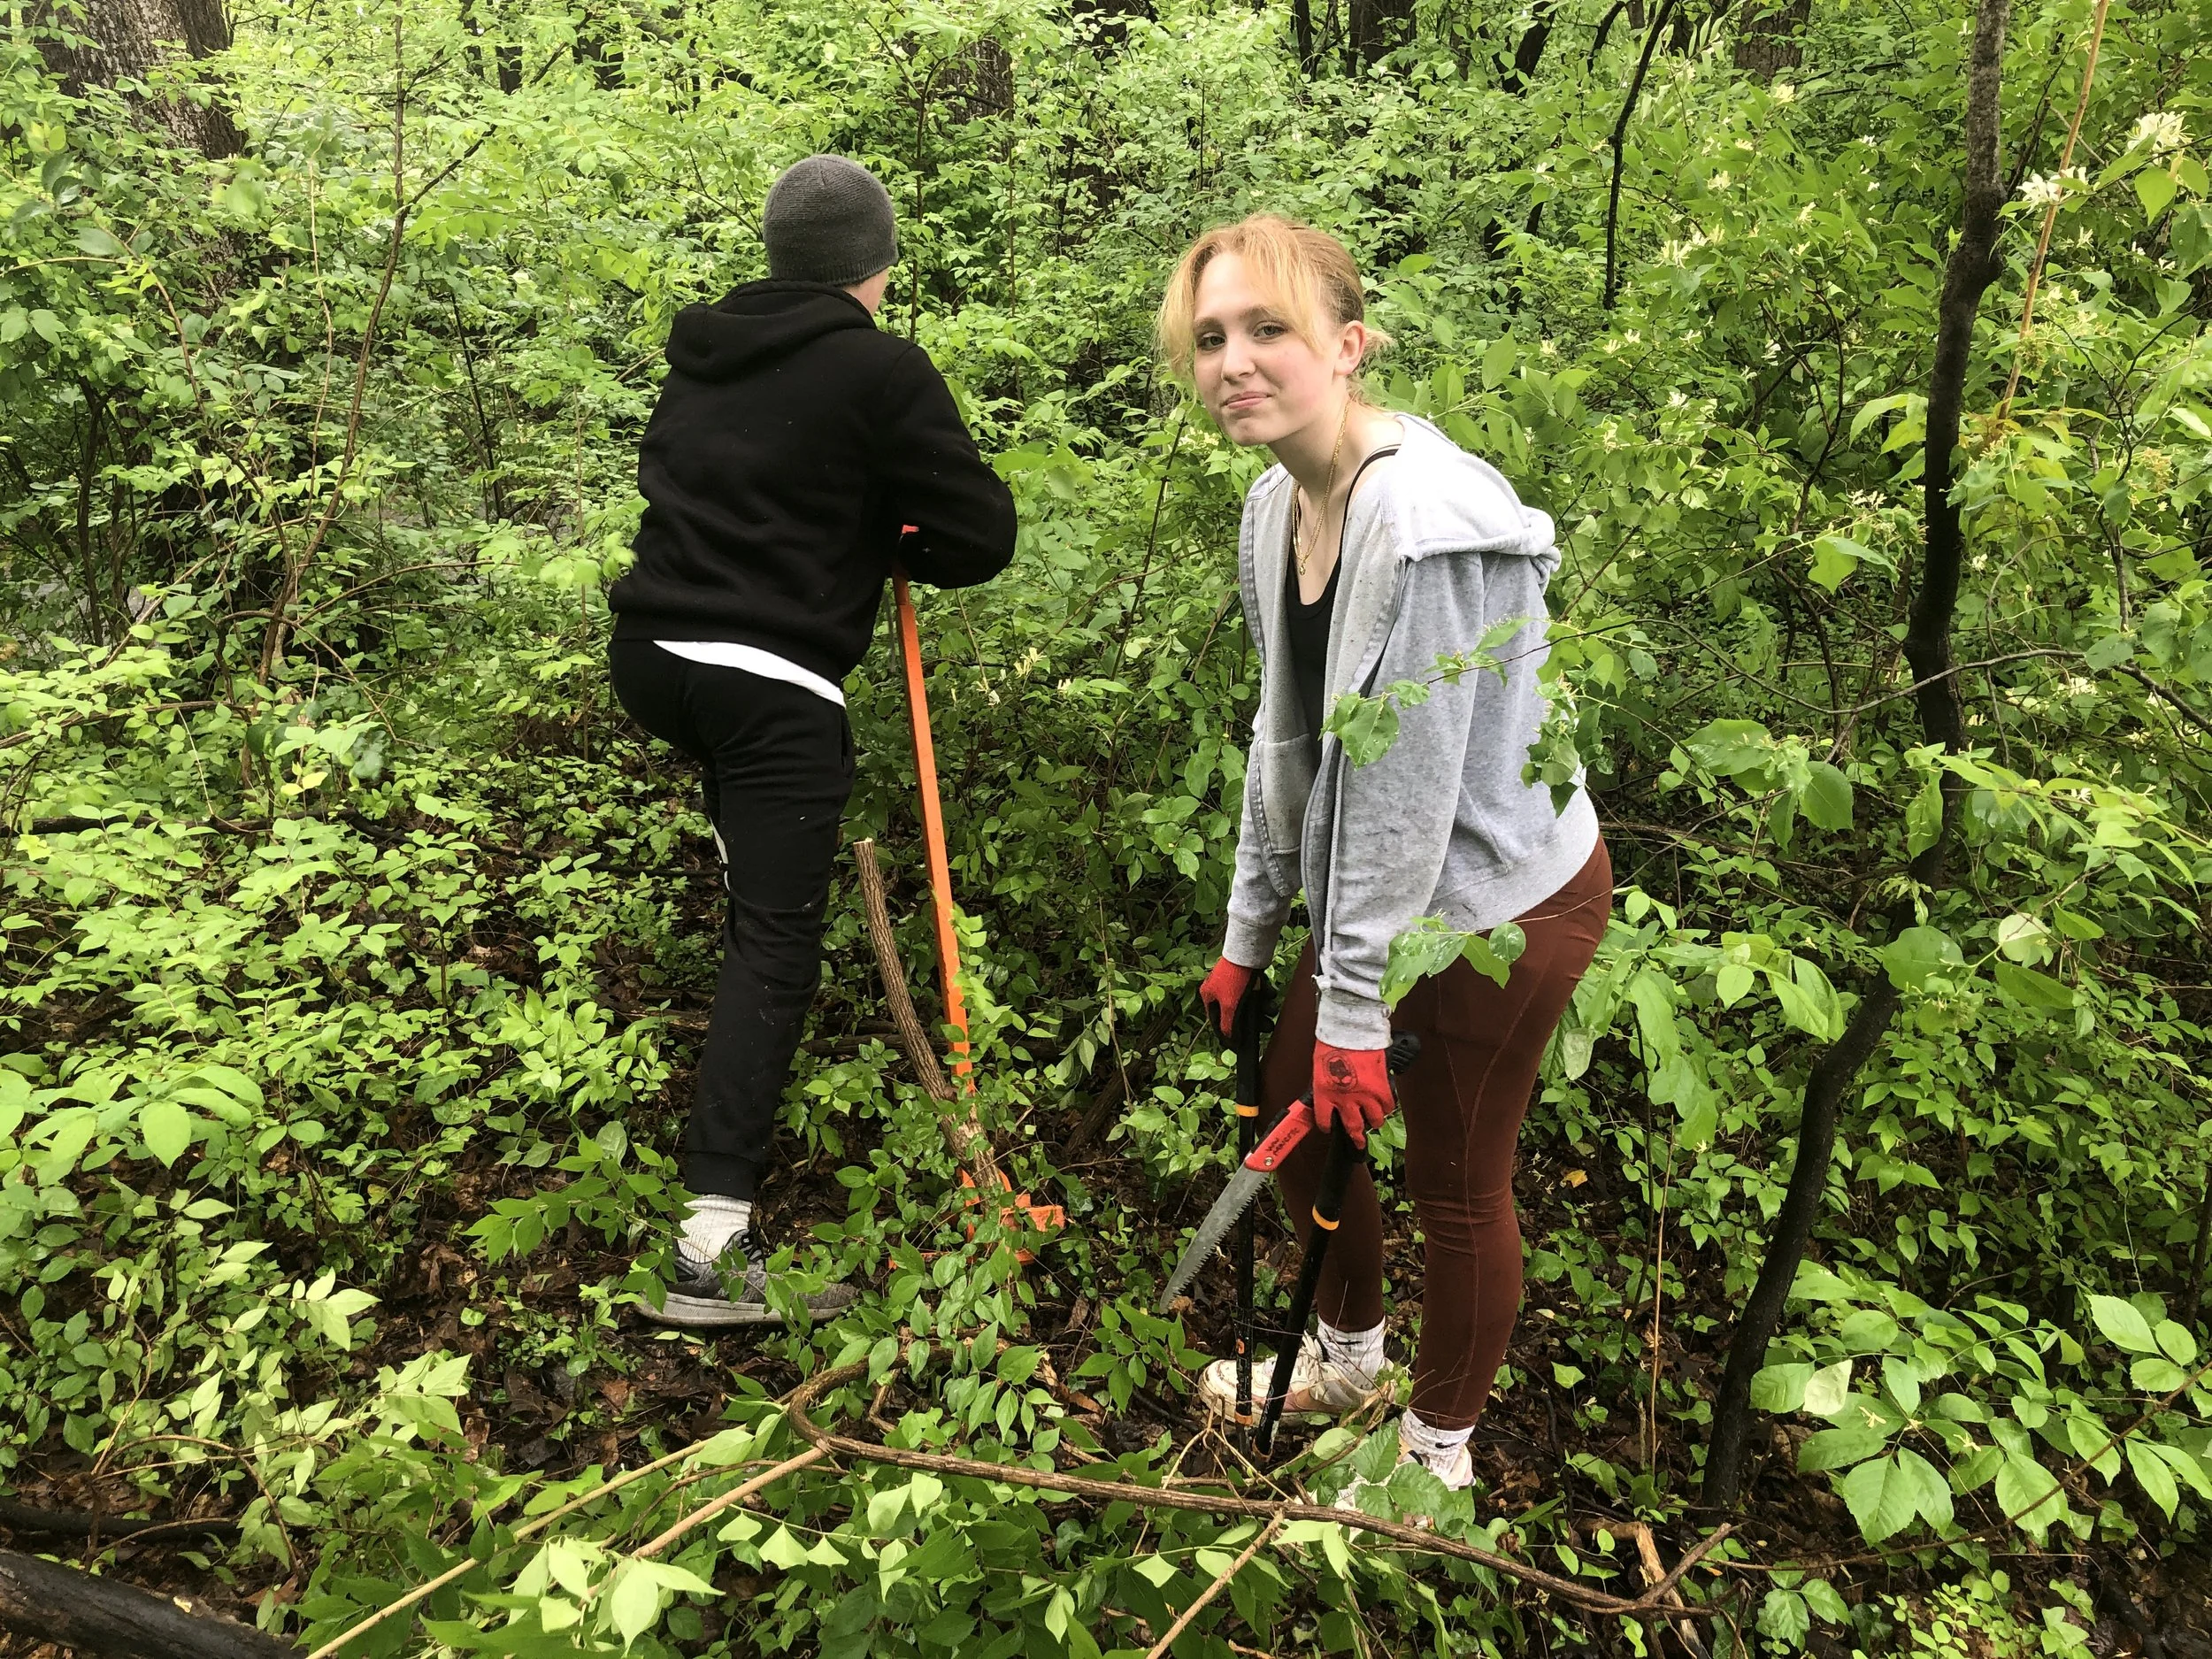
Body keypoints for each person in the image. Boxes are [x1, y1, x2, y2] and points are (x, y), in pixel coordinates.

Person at [1156, 215, 1610, 1500]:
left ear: (1348, 347)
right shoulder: (1277, 504)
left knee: (1457, 1180)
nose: (1232, 361)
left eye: (1268, 330)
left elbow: (1407, 800)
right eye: (1211, 338)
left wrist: (1357, 1001)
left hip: (1499, 899)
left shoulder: (1418, 529)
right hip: (1390, 884)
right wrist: (1251, 936)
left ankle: (1434, 1459)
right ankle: (1346, 1358)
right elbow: (1285, 735)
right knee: (1306, 1108)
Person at [608, 155, 1017, 1326]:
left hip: (655, 659)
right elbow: (981, 531)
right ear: (877, 269)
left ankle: (746, 865)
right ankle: (706, 1252)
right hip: (769, 682)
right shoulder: (881, 368)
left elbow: (734, 486)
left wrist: (863, 520)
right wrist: (901, 535)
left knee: (758, 893)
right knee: (776, 948)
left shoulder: (704, 352)